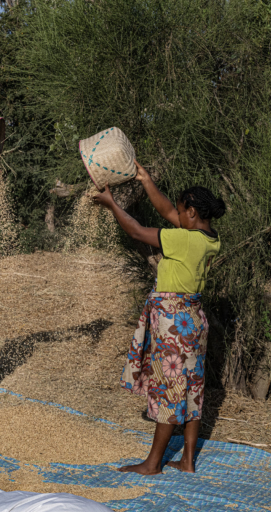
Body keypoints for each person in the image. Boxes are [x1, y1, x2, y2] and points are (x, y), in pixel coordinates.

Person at [93, 160, 225, 475]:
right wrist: (146, 180)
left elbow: (137, 231)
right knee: (191, 390)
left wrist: (112, 204)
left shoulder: (185, 240)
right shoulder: (209, 238)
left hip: (173, 324)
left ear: (191, 212)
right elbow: (167, 211)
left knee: (170, 389)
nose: (175, 216)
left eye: (181, 211)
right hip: (193, 321)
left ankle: (152, 464)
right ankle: (187, 461)